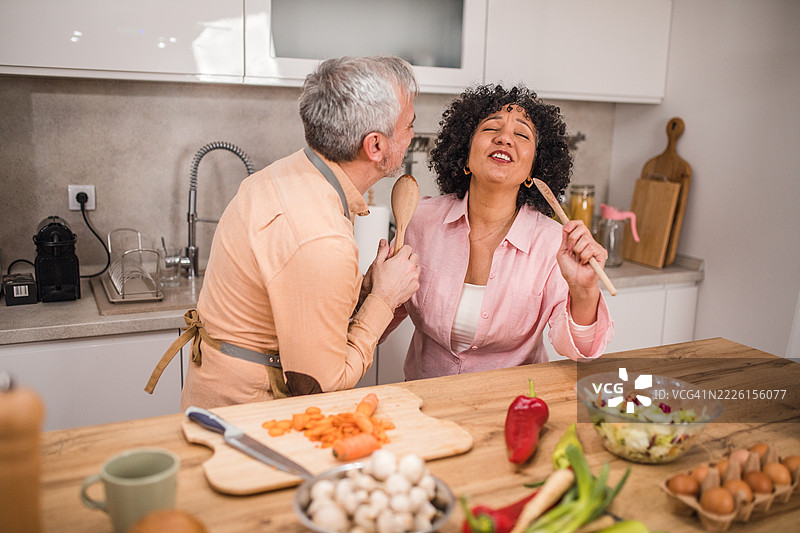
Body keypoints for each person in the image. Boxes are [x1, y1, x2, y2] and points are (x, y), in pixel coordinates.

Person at [145, 56, 421, 408]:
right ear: (376, 146)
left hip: (214, 393)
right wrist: (384, 299)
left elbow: (297, 296)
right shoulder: (322, 238)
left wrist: (365, 291)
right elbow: (319, 387)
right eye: (409, 125)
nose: (413, 135)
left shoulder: (291, 172)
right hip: (247, 414)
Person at [377, 84, 613, 380]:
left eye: (522, 134)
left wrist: (584, 291)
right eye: (491, 128)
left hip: (516, 402)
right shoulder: (418, 220)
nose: (504, 138)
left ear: (533, 170)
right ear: (465, 155)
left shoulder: (554, 243)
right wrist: (372, 291)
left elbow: (580, 351)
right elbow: (378, 321)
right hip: (424, 397)